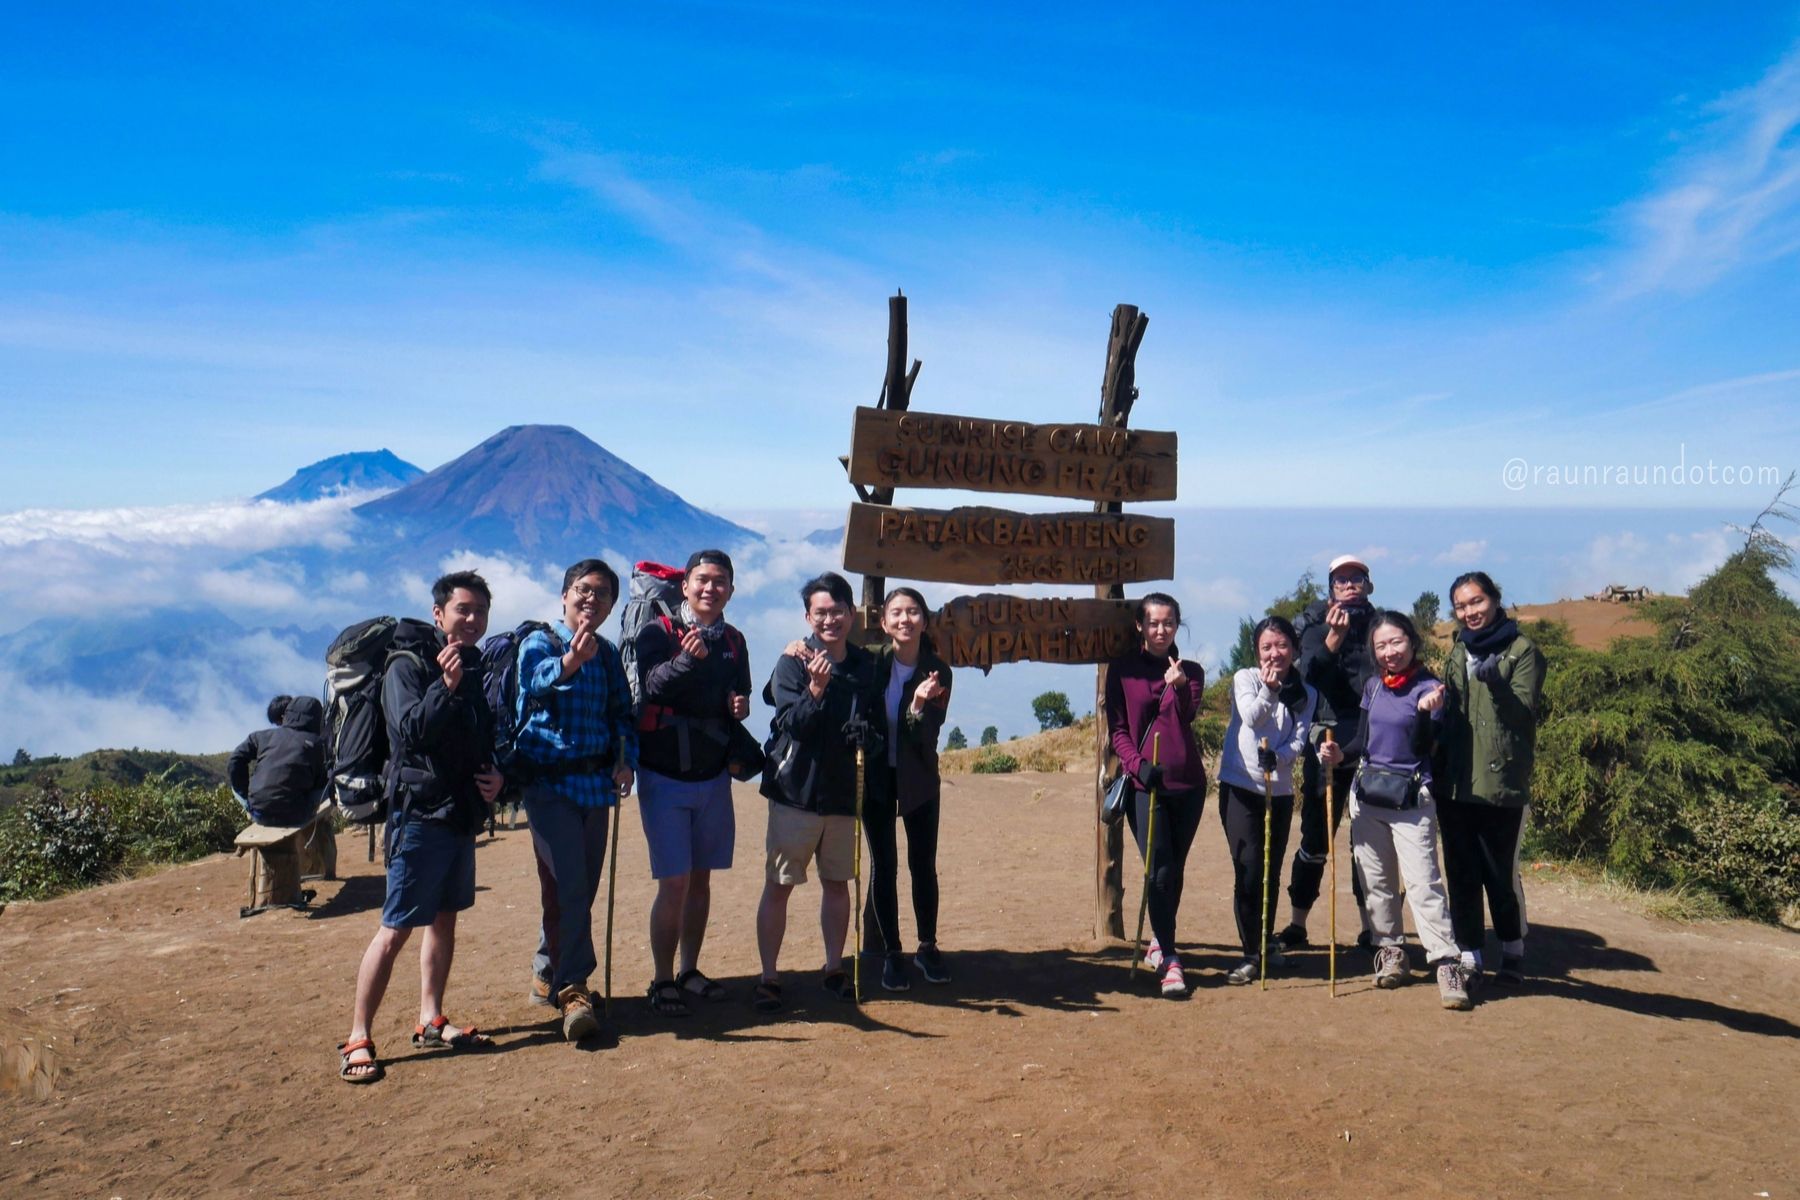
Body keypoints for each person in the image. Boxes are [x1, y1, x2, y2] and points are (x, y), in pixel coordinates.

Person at [338, 571, 505, 1082]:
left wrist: (499, 776)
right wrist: (447, 687)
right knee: (395, 928)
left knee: (446, 917)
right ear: (439, 614)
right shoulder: (406, 666)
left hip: (457, 813)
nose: (472, 619)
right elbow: (410, 731)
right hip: (419, 816)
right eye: (463, 609)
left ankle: (431, 1017)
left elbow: (480, 734)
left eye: (479, 611)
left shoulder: (472, 663)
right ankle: (357, 1037)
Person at [1319, 610, 1470, 1010]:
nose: (1389, 652)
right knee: (1376, 882)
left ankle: (1445, 962)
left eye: (1396, 642)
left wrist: (1424, 712)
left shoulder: (1431, 689)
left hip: (1412, 800)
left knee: (1424, 884)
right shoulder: (1373, 687)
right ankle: (1391, 951)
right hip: (1368, 797)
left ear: (1412, 642)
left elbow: (1424, 749)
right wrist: (1338, 754)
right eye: (1381, 645)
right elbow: (1362, 744)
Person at [513, 559, 638, 1041]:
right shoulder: (539, 643)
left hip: (595, 787)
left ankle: (547, 968)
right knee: (570, 886)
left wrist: (626, 759)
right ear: (564, 595)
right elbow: (534, 683)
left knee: (575, 889)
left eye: (602, 594)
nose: (591, 599)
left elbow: (621, 714)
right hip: (548, 786)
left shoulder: (606, 654)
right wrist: (570, 662)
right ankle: (573, 989)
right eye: (583, 591)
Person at [632, 549, 759, 1017]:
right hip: (664, 773)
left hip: (712, 774)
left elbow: (738, 690)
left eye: (720, 581)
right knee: (675, 883)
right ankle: (662, 978)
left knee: (700, 880)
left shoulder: (735, 640)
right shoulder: (658, 632)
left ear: (731, 588)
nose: (711, 588)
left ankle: (689, 969)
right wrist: (686, 662)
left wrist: (739, 705)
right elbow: (651, 687)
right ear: (684, 586)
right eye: (702, 580)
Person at [754, 572, 879, 1013]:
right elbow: (795, 724)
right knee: (780, 884)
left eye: (838, 611)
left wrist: (868, 736)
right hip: (796, 792)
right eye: (821, 612)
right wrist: (816, 689)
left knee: (837, 884)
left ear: (851, 614)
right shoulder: (792, 663)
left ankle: (832, 968)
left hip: (844, 794)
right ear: (808, 617)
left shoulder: (864, 667)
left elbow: (875, 723)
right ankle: (769, 975)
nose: (830, 619)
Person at [1438, 571, 1546, 987]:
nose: (1470, 612)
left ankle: (1513, 948)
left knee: (1500, 873)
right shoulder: (1458, 650)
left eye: (1476, 602)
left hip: (1502, 783)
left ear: (1496, 600)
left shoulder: (1523, 652)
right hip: (1455, 782)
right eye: (1462, 606)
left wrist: (1498, 685)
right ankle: (1470, 952)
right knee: (1461, 872)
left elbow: (1523, 715)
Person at [1105, 592, 1207, 998]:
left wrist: (1180, 687)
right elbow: (1118, 729)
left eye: (1168, 623)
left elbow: (1187, 715)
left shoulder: (1192, 670)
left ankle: (1158, 940)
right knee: (1159, 870)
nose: (1160, 630)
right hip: (1147, 786)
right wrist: (1137, 766)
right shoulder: (1123, 670)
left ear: (1177, 625)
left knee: (1173, 871)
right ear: (1139, 627)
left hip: (1189, 784)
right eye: (1153, 623)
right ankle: (1170, 959)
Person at [1279, 553, 1378, 951]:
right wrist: (1333, 640)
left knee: (1368, 840)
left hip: (1373, 741)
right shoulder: (1315, 625)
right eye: (1342, 580)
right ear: (1331, 586)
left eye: (1357, 579)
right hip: (1327, 738)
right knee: (1316, 837)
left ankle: (1373, 928)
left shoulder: (1380, 625)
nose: (1350, 585)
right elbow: (1305, 680)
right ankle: (1297, 925)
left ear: (1369, 585)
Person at [862, 586, 954, 992]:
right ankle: (892, 953)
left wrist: (916, 707)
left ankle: (926, 944)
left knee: (923, 865)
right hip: (878, 778)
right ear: (883, 623)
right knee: (884, 866)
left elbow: (927, 736)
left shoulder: (938, 673)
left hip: (918, 778)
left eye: (913, 612)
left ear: (925, 620)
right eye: (896, 613)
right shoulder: (871, 664)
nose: (905, 619)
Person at [1216, 616, 1317, 985]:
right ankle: (1250, 952)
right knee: (1249, 870)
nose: (1275, 653)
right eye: (1266, 647)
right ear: (1256, 652)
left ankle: (1264, 942)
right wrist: (1270, 691)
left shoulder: (1308, 693)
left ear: (1294, 648)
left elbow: (1299, 738)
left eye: (1282, 645)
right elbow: (1251, 717)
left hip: (1280, 791)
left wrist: (1283, 757)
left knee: (1271, 873)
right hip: (1240, 787)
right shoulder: (1246, 679)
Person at [228, 694, 327, 827]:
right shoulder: (319, 744)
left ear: (287, 714)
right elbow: (322, 779)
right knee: (330, 781)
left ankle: (252, 806)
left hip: (259, 813)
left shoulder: (261, 736)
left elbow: (235, 759)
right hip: (297, 815)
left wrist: (246, 793)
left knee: (235, 790)